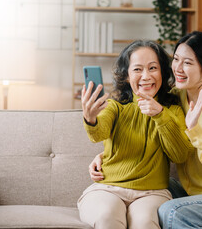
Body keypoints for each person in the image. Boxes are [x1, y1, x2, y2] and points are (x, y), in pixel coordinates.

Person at [89, 31, 202, 229]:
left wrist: (196, 132)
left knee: (170, 213)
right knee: (151, 178)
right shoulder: (177, 95)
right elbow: (145, 132)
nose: (178, 68)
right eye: (176, 59)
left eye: (188, 63)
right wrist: (105, 156)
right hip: (191, 191)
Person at [78, 40, 194, 229]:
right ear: (126, 76)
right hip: (108, 188)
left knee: (145, 223)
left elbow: (180, 155)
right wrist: (91, 119)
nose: (146, 76)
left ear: (163, 73)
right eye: (138, 69)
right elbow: (98, 134)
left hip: (152, 192)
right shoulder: (115, 107)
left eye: (153, 68)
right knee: (108, 217)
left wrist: (160, 115)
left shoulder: (173, 111)